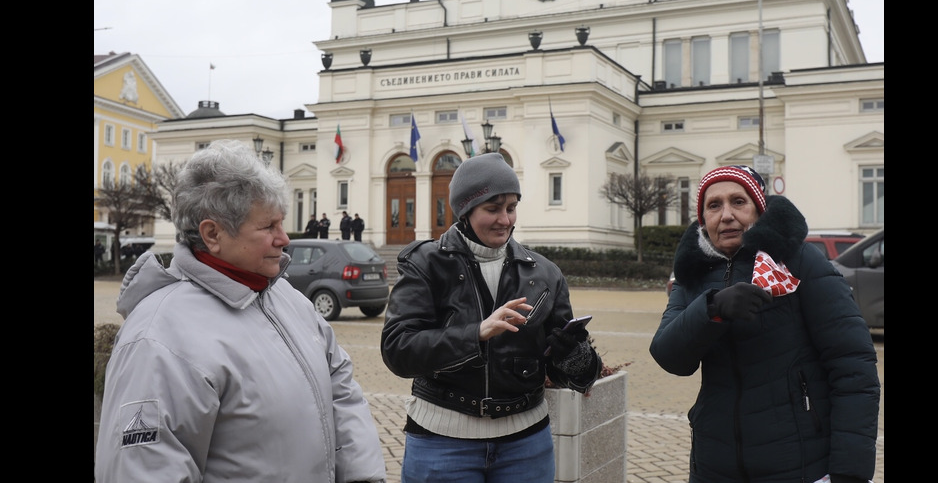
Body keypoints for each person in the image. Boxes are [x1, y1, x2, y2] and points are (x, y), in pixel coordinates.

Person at [95, 139, 386, 483]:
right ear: (213, 233)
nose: (285, 238)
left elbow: (341, 385)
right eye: (268, 227)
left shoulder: (286, 299)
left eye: (282, 222)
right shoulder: (157, 339)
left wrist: (361, 476)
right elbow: (144, 470)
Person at [649, 165, 879, 483]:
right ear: (703, 219)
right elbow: (668, 355)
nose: (726, 215)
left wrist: (850, 471)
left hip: (799, 464)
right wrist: (712, 309)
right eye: (714, 205)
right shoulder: (694, 274)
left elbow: (854, 368)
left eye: (738, 202)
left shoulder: (798, 261)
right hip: (714, 465)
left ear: (758, 208)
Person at [381, 152, 601, 483]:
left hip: (526, 445)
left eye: (511, 207)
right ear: (466, 211)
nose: (505, 219)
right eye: (492, 208)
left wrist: (575, 356)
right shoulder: (426, 263)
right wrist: (476, 334)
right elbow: (398, 349)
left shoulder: (545, 273)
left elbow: (573, 375)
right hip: (442, 443)